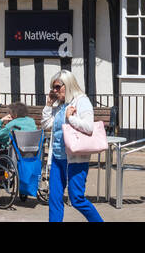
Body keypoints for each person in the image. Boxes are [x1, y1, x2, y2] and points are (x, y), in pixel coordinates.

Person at [41, 68, 103, 223]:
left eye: (57, 87)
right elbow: (47, 125)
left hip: (75, 159)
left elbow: (89, 127)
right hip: (57, 157)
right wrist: (48, 106)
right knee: (54, 199)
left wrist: (70, 118)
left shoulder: (81, 101)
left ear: (68, 85)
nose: (54, 91)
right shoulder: (61, 104)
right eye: (53, 87)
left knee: (77, 199)